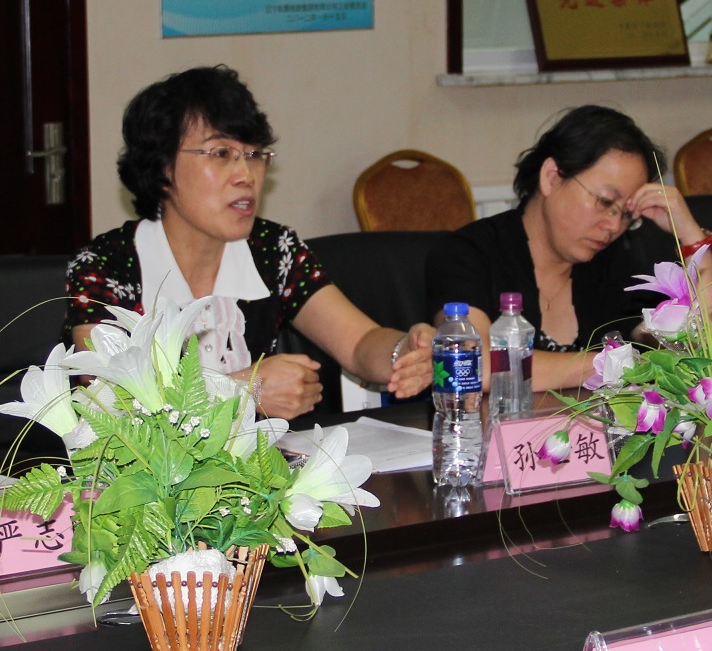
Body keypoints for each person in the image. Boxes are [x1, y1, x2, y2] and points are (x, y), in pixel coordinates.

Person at [64, 67, 435, 421]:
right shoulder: (105, 266)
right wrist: (244, 390)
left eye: (255, 155)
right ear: (162, 166)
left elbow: (359, 343)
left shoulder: (274, 249)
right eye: (221, 154)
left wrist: (405, 352)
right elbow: (110, 397)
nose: (246, 175)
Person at [424, 106, 712, 392]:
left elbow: (710, 356)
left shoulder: (620, 259)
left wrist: (691, 236)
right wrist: (615, 364)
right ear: (552, 177)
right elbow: (474, 364)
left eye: (628, 214)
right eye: (605, 202)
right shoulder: (466, 253)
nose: (614, 225)